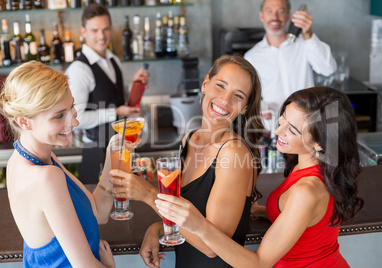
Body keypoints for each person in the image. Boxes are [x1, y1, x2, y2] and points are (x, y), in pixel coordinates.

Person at [155, 87, 365, 267]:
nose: (277, 130)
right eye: (281, 120)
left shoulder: (306, 191)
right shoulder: (312, 168)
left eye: (291, 130)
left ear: (320, 143)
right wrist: (258, 211)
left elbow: (258, 263)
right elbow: (302, 220)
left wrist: (198, 224)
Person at [109, 54, 265, 267]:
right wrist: (157, 227)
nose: (225, 100)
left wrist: (148, 194)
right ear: (205, 84)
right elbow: (190, 219)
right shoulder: (190, 140)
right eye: (220, 86)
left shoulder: (233, 154)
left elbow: (211, 247)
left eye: (238, 96)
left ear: (245, 108)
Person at [0, 61, 117, 267]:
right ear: (24, 121)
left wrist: (113, 155)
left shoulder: (25, 159)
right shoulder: (46, 177)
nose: (74, 122)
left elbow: (98, 212)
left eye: (71, 107)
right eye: (59, 116)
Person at [65, 3, 149, 184]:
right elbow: (75, 119)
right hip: (97, 152)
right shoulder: (80, 69)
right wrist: (117, 112)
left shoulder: (113, 60)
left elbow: (114, 97)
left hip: (120, 147)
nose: (101, 36)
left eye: (105, 29)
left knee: (125, 206)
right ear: (83, 31)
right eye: (94, 30)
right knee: (100, 208)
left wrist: (134, 87)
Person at [244, 0, 337, 130]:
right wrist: (258, 110)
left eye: (281, 11)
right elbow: (250, 96)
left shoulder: (304, 43)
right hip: (274, 127)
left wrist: (308, 34)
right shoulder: (251, 57)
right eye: (269, 11)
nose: (275, 17)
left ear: (289, 16)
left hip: (308, 124)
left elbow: (329, 69)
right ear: (262, 16)